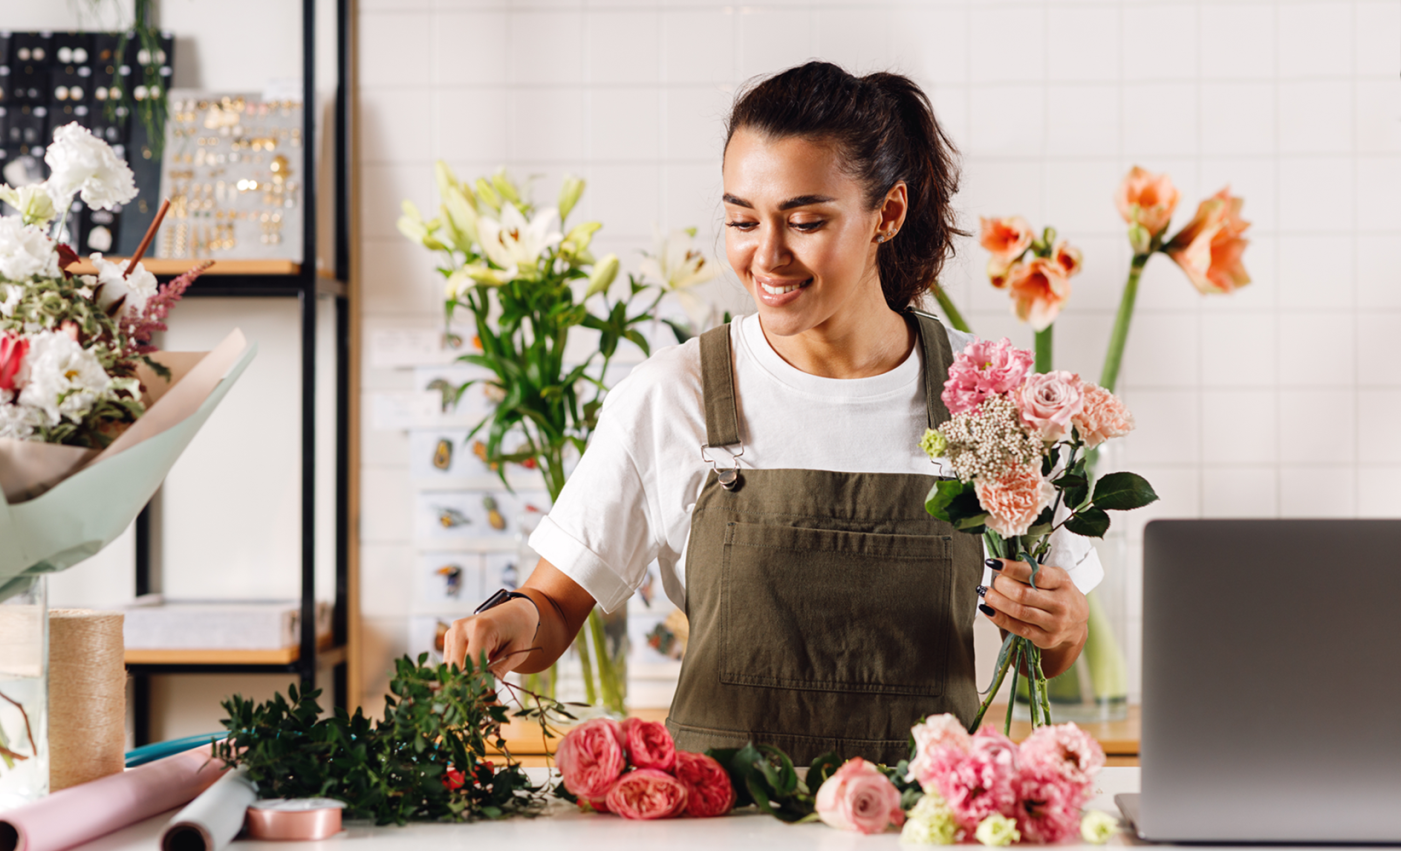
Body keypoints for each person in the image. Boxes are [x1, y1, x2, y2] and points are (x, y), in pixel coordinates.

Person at [444, 61, 1100, 764]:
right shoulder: (674, 393)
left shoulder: (984, 397)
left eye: (806, 220)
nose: (768, 255)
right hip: (721, 837)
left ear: (889, 213)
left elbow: (1053, 649)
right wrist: (505, 622)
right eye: (741, 219)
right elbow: (554, 608)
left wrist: (1061, 624)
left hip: (922, 836)